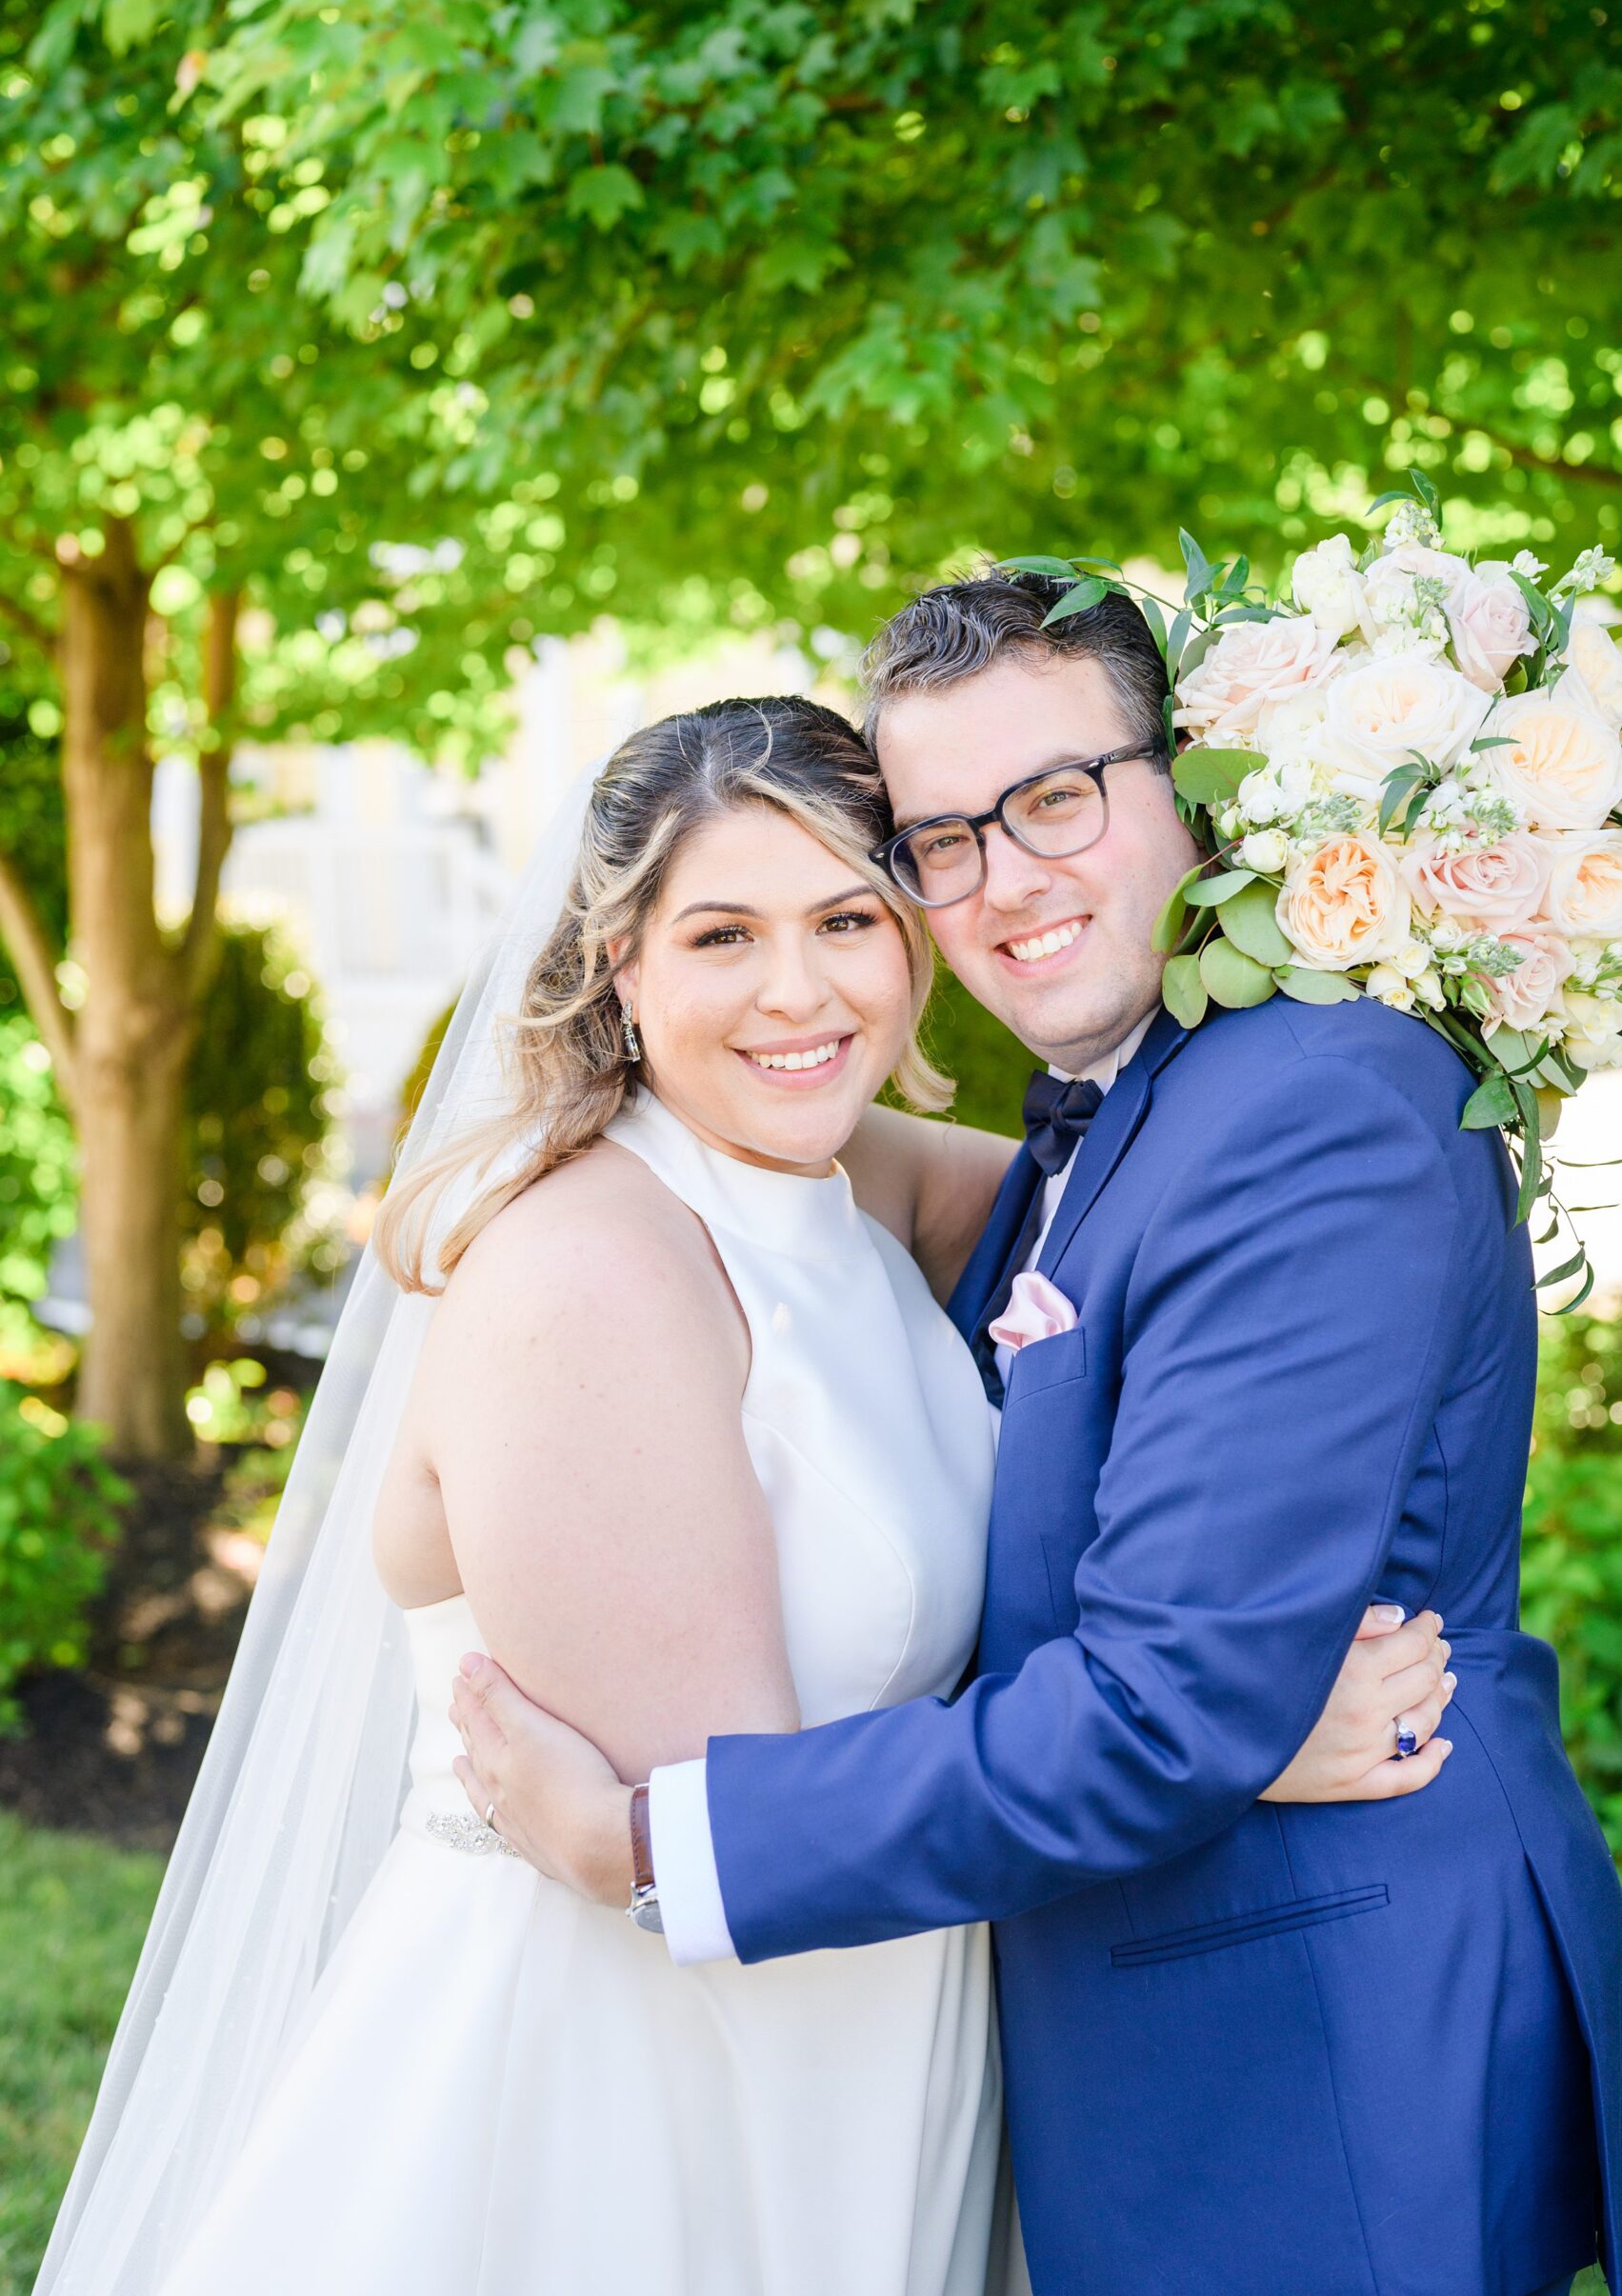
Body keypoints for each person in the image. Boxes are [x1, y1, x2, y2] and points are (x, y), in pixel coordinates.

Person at [37, 693, 1446, 2296]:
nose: (800, 990)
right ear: (617, 967)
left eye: (849, 916)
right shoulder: (592, 1269)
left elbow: (1166, 1216)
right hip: (647, 2084)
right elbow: (735, 1823)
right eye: (721, 935)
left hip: (869, 2039)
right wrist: (1211, 1730)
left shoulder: (846, 1184)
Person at [451, 589, 1622, 2296]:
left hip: (1313, 2060)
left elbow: (1160, 1704)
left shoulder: (1309, 1109)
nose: (1005, 878)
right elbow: (1149, 1662)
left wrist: (647, 1845)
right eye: (939, 839)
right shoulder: (1110, 1120)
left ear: (1189, 788)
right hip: (1143, 2029)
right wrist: (1247, 1730)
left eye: (1055, 799)